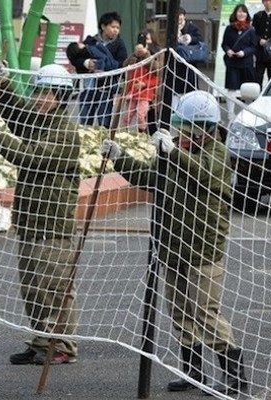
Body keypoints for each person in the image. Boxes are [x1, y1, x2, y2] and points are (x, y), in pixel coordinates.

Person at [101, 90, 248, 395]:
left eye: (188, 128)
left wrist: (173, 152)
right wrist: (119, 159)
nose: (182, 133)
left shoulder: (217, 153)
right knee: (180, 312)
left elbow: (202, 173)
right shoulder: (176, 152)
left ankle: (235, 376)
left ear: (206, 129)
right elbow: (150, 177)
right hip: (173, 245)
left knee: (206, 312)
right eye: (180, 127)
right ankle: (193, 371)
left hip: (203, 248)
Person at [0, 64, 81, 365]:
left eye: (47, 93)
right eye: (38, 91)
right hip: (31, 219)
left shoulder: (65, 130)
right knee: (33, 286)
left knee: (54, 285)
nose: (40, 97)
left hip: (53, 222)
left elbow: (33, 156)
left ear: (61, 97)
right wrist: (5, 82)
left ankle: (61, 345)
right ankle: (41, 340)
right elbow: (20, 116)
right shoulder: (41, 120)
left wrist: (0, 138)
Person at [77, 11, 128, 127]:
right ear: (103, 26)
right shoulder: (90, 42)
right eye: (112, 26)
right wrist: (87, 64)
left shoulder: (119, 44)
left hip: (105, 89)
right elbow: (78, 60)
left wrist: (104, 66)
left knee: (104, 124)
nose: (115, 30)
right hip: (87, 88)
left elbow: (122, 65)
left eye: (118, 27)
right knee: (84, 123)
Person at [120, 30, 162, 133]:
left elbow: (157, 70)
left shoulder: (157, 53)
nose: (145, 43)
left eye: (147, 39)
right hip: (134, 92)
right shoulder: (135, 55)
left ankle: (148, 136)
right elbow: (125, 66)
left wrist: (146, 55)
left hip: (150, 94)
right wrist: (135, 55)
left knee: (150, 119)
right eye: (142, 40)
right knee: (128, 115)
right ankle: (131, 133)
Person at [221, 4, 257, 122]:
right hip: (232, 63)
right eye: (239, 12)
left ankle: (247, 114)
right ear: (235, 14)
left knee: (247, 90)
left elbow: (253, 47)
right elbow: (224, 44)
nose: (241, 14)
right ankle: (230, 114)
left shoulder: (251, 30)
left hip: (246, 63)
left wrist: (244, 52)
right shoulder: (229, 28)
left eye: (243, 12)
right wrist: (228, 51)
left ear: (247, 15)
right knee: (231, 89)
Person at [171, 8, 203, 112]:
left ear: (184, 16)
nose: (179, 18)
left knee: (190, 89)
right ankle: (175, 112)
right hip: (175, 62)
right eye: (177, 15)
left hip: (190, 63)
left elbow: (200, 41)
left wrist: (190, 39)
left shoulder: (192, 27)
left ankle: (190, 112)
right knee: (175, 89)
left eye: (181, 15)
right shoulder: (171, 28)